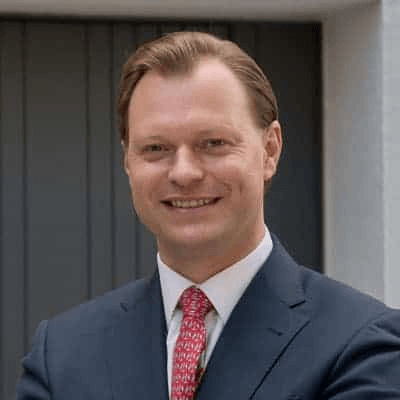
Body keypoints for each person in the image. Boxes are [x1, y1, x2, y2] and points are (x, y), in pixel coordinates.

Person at [17, 31, 400, 400]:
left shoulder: (361, 343)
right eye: (156, 148)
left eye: (213, 144)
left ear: (270, 150)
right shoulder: (62, 353)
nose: (183, 172)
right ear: (128, 162)